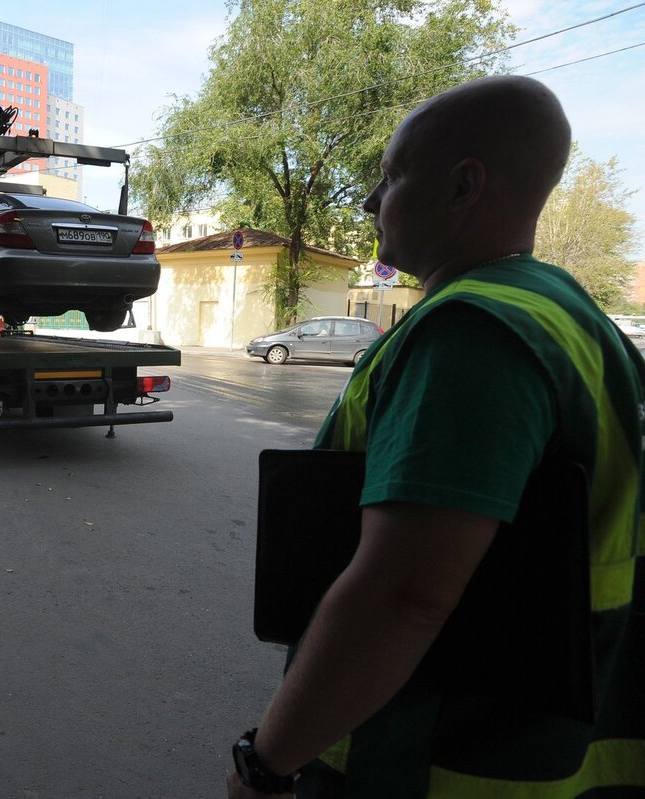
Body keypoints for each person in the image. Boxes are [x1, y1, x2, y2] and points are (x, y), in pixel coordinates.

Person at [228, 75, 645, 798]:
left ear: (463, 187)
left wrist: (265, 763)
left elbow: (404, 595)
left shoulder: (471, 333)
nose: (368, 200)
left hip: (439, 760)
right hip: (555, 755)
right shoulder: (571, 315)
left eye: (390, 176)